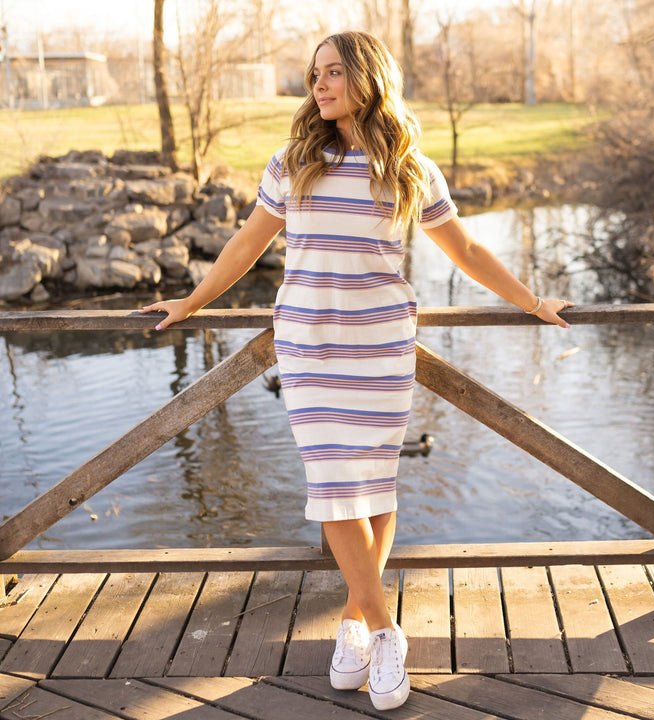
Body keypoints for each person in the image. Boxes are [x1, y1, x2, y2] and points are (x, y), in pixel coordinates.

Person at [140, 30, 573, 710]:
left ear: (368, 77)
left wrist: (534, 300)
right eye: (315, 73)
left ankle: (351, 622)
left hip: (381, 346)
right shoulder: (292, 163)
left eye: (335, 71)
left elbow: (466, 249)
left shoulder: (408, 168)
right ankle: (385, 630)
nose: (320, 83)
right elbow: (247, 244)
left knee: (371, 486)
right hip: (309, 347)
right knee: (332, 486)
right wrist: (192, 300)